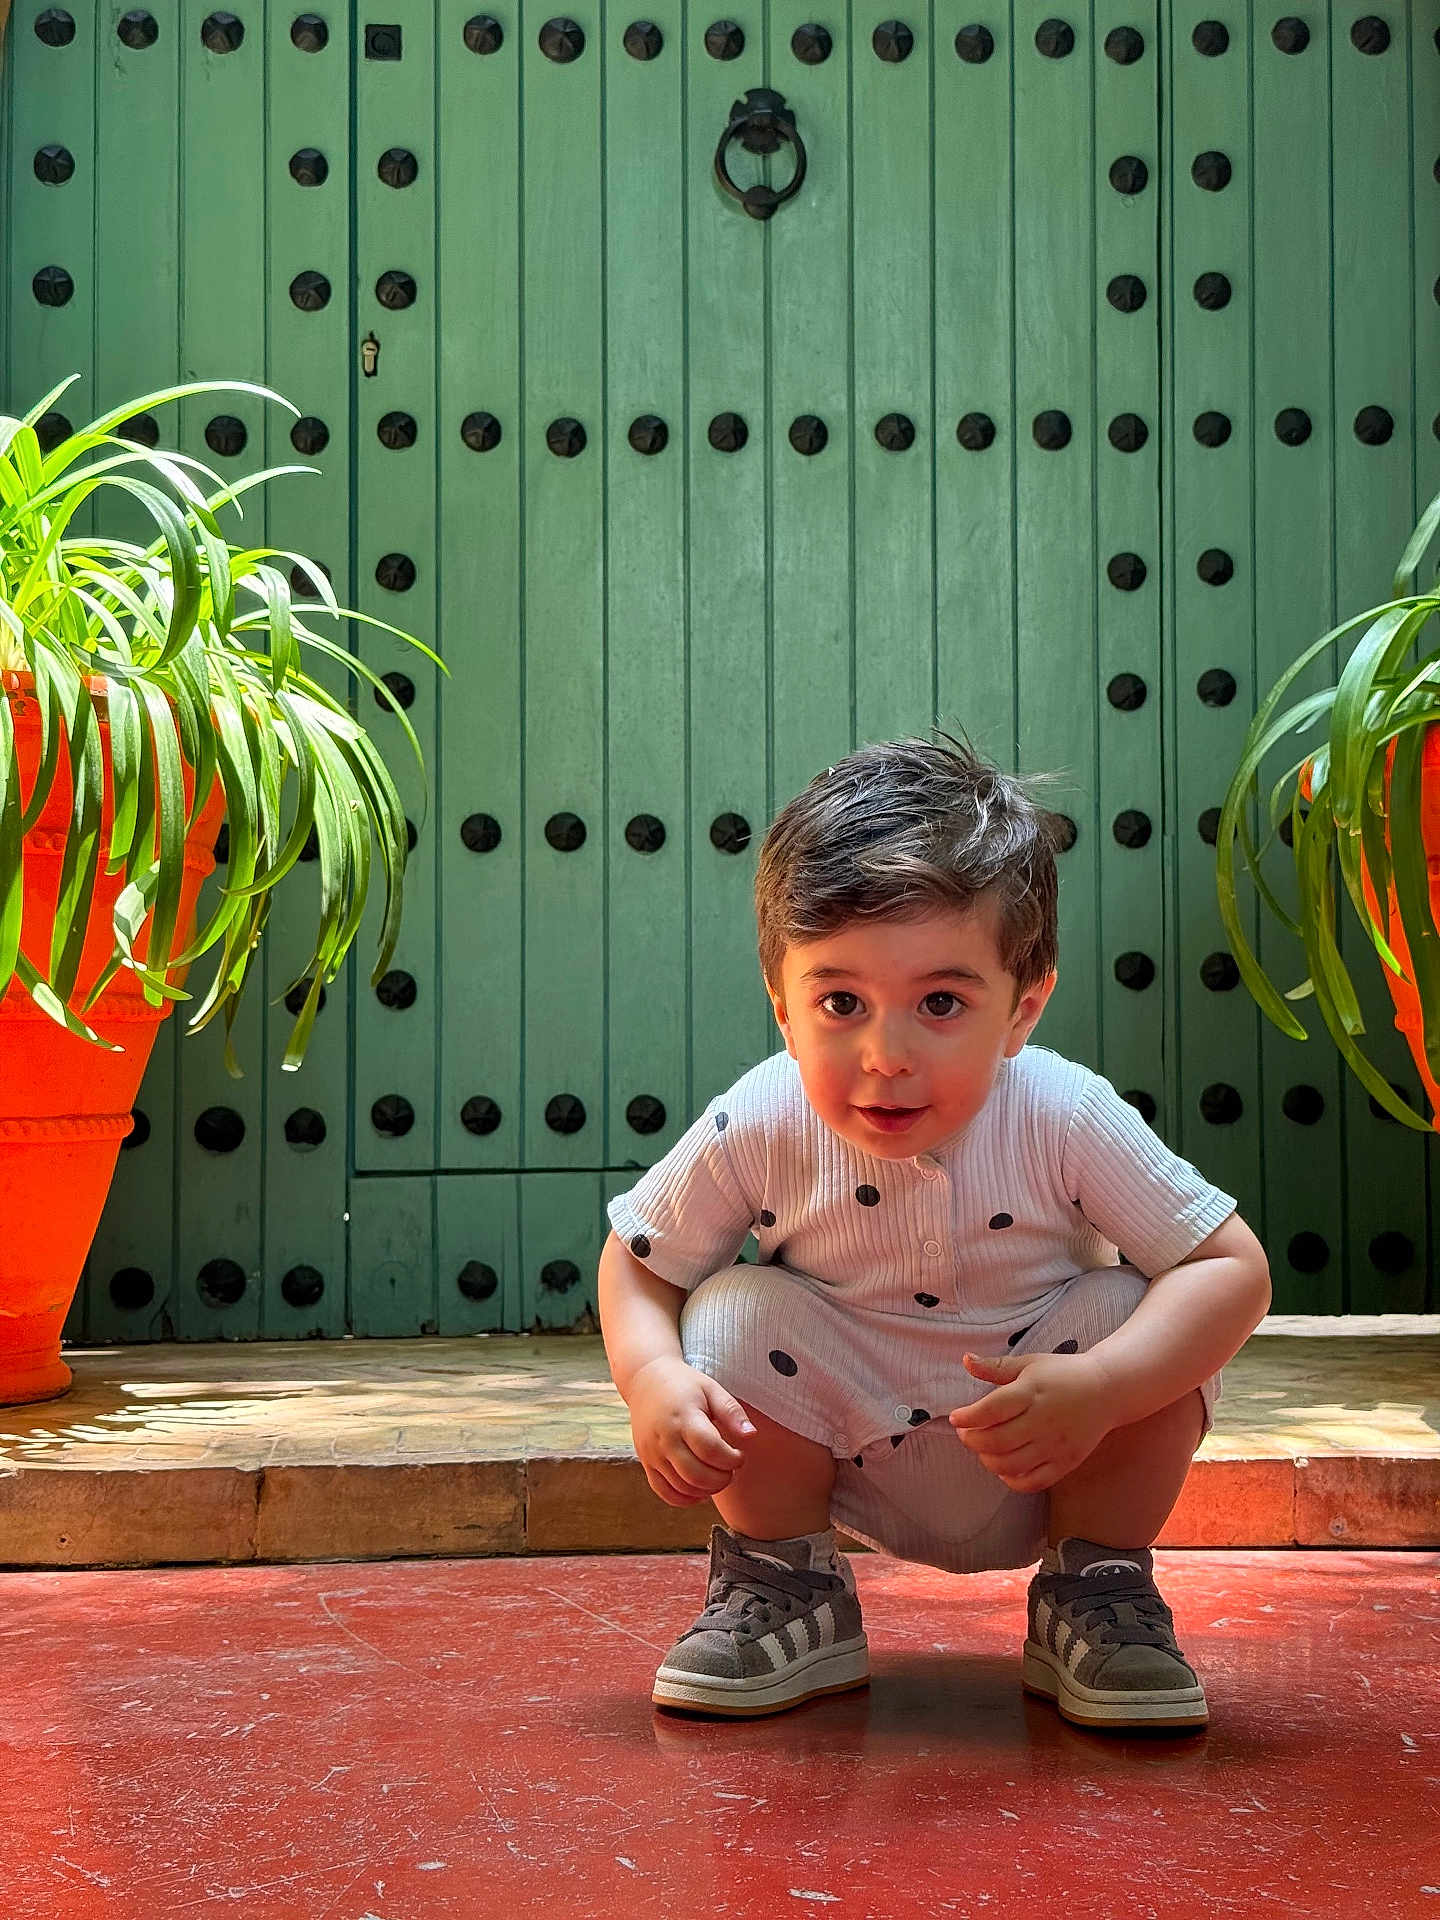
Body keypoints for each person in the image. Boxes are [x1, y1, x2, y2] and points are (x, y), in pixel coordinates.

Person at [597, 727, 1272, 1732]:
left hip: (1053, 1435)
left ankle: (1100, 1591)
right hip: (849, 1438)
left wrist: (1106, 1385)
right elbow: (640, 1266)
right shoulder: (763, 1116)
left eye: (942, 1002)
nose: (887, 1054)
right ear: (782, 1006)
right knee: (732, 1308)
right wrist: (652, 1380)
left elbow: (1234, 1269)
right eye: (841, 1001)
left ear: (1022, 1009)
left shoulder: (1064, 1115)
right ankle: (784, 1582)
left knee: (1135, 1304)